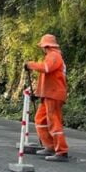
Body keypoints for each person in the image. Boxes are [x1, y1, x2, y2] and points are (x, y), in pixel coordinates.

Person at [25, 33, 69, 161]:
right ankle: (50, 146)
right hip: (49, 93)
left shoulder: (54, 56)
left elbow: (46, 68)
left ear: (46, 46)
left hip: (54, 94)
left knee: (54, 121)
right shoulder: (51, 56)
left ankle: (61, 151)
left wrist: (31, 65)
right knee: (40, 119)